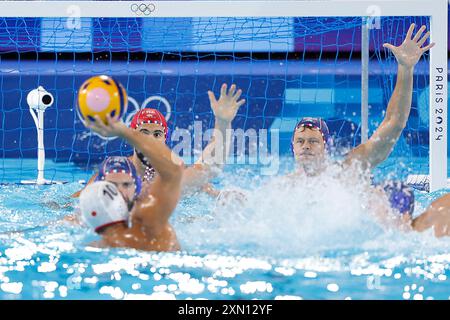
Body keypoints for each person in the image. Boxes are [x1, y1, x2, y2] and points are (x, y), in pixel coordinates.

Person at [291, 24, 434, 177]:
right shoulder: (281, 188)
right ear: (293, 147)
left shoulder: (345, 172)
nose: (306, 147)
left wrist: (405, 68)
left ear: (326, 147)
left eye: (313, 141)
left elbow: (394, 123)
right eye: (300, 141)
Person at [72, 83, 245, 198]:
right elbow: (79, 202)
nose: (150, 140)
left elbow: (209, 169)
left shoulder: (172, 174)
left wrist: (222, 122)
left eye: (156, 135)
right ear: (133, 136)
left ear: (165, 138)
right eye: (144, 133)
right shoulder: (116, 172)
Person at [78, 113, 184, 251]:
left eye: (126, 185)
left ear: (137, 186)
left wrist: (125, 133)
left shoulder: (148, 218)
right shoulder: (145, 222)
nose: (120, 191)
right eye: (113, 186)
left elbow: (176, 171)